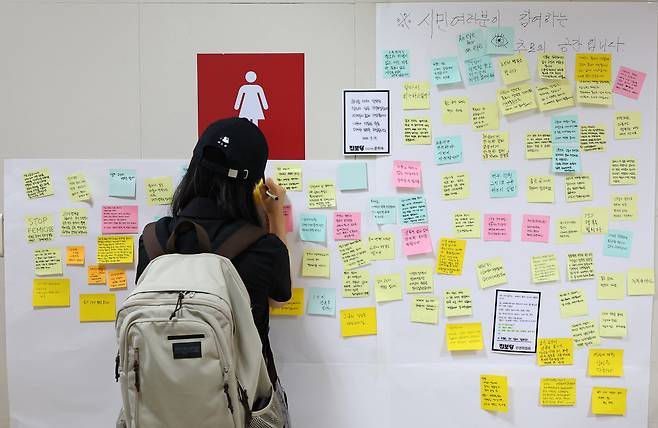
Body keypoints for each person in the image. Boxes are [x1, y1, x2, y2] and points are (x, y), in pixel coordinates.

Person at [135, 117, 292, 426]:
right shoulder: (262, 247)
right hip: (245, 408)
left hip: (162, 408)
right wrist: (275, 214)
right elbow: (279, 299)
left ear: (194, 170)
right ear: (252, 184)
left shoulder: (153, 239)